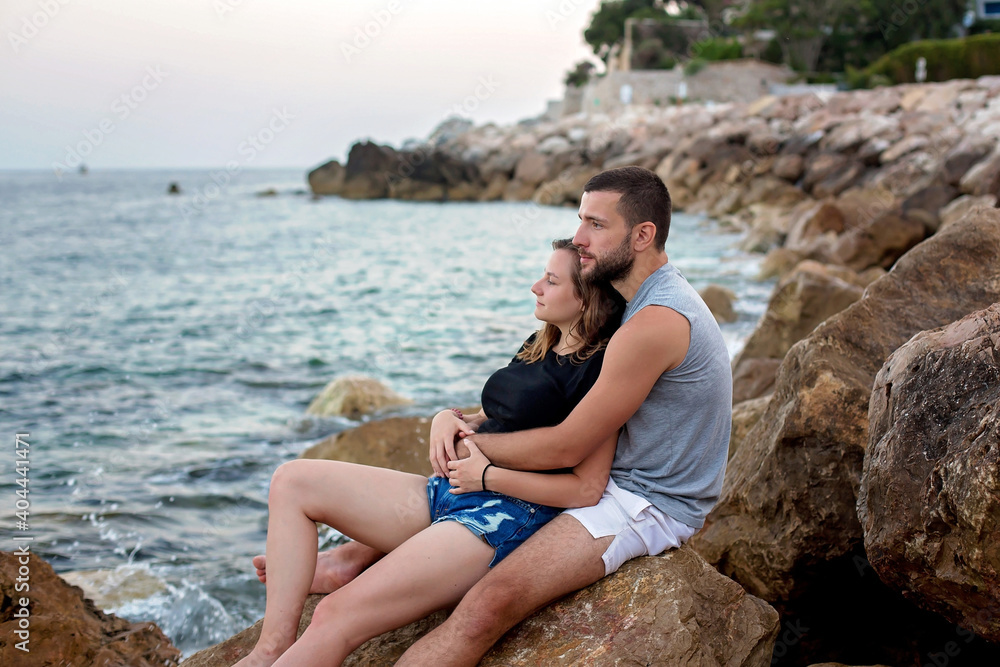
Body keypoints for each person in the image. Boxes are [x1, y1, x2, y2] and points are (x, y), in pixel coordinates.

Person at [257, 166, 733, 665]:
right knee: (319, 499)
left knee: (484, 606)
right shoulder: (628, 307)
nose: (579, 238)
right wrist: (455, 417)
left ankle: (355, 562)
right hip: (597, 481)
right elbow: (537, 402)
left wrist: (474, 452)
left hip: (645, 501)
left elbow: (570, 446)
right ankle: (344, 567)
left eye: (595, 224)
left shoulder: (654, 321)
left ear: (642, 235)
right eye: (580, 220)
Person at [236, 239, 624, 667]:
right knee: (292, 480)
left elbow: (586, 489)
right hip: (450, 493)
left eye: (551, 280)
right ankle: (269, 650)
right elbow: (496, 415)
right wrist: (449, 416)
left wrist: (488, 478)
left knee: (336, 614)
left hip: (500, 520)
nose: (536, 286)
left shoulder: (601, 370)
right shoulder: (542, 340)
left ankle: (337, 580)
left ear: (586, 299)